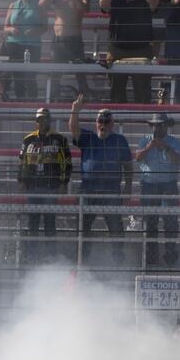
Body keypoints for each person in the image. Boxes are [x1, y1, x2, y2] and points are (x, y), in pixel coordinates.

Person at [68, 94, 132, 262]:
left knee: (115, 225)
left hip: (111, 188)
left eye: (106, 121)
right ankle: (81, 259)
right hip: (89, 188)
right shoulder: (88, 137)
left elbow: (128, 165)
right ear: (96, 123)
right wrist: (75, 110)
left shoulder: (119, 140)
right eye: (100, 121)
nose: (102, 124)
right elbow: (74, 130)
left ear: (112, 124)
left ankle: (118, 259)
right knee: (83, 226)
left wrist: (129, 187)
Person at [17, 105, 72, 262]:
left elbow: (67, 163)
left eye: (44, 119)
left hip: (51, 187)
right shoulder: (28, 139)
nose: (41, 122)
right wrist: (21, 181)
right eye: (39, 120)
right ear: (36, 121)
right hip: (32, 187)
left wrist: (64, 183)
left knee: (50, 221)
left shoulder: (60, 139)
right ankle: (31, 255)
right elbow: (22, 163)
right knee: (32, 222)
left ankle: (51, 255)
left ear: (49, 120)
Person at [100, 0, 159, 104]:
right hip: (118, 50)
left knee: (142, 88)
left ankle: (143, 115)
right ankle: (118, 115)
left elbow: (154, 3)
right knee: (117, 88)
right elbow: (103, 4)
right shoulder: (116, 2)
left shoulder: (144, 1)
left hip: (141, 51)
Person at [134, 112, 180, 267]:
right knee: (150, 222)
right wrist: (149, 147)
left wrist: (166, 148)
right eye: (155, 125)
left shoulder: (174, 142)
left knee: (171, 222)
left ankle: (170, 255)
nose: (157, 128)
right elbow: (137, 158)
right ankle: (151, 258)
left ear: (166, 126)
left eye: (160, 125)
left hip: (169, 185)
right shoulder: (144, 141)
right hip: (149, 185)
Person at [40, 0, 93, 96]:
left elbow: (85, 9)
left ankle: (85, 99)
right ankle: (53, 99)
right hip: (58, 40)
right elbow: (40, 5)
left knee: (80, 73)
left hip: (74, 39)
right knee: (55, 73)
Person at [1, 0, 45, 98]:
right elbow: (5, 27)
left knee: (30, 76)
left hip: (33, 44)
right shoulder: (13, 5)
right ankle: (20, 100)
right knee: (17, 76)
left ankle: (32, 102)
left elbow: (45, 26)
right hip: (14, 43)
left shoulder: (39, 4)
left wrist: (35, 31)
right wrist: (11, 29)